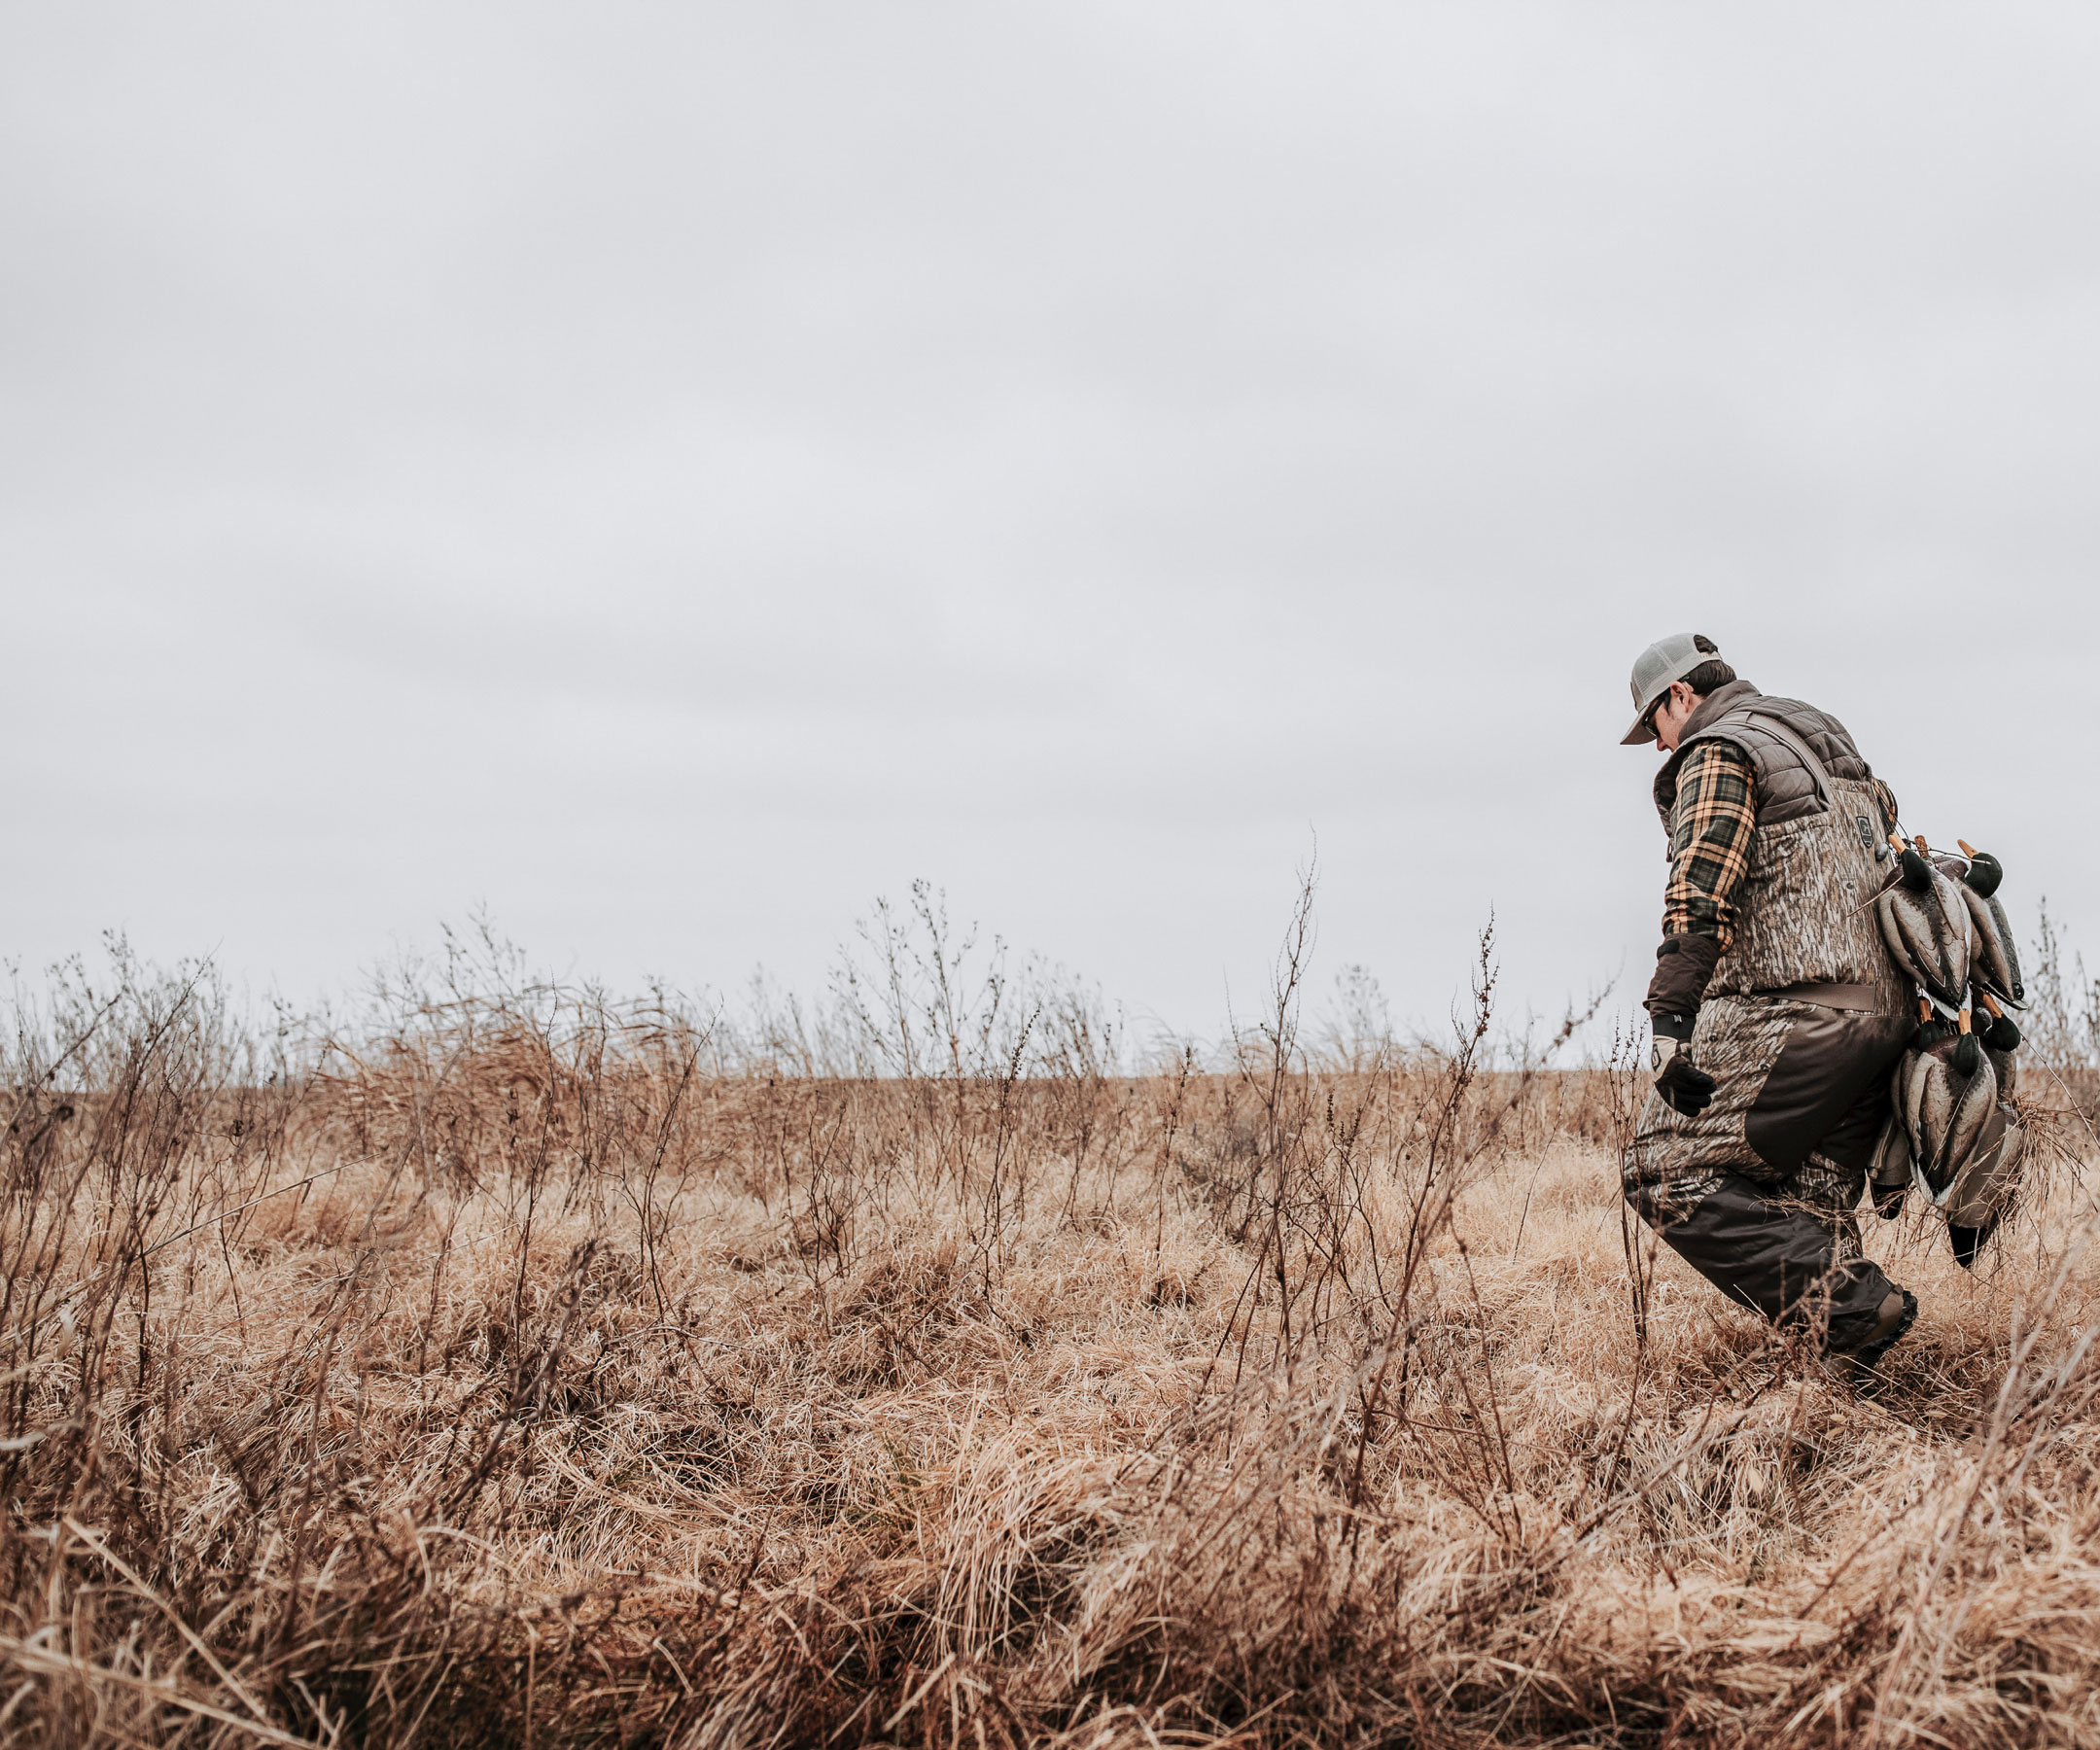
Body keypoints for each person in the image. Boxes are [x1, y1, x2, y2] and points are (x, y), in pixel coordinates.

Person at [1620, 633, 1917, 1378]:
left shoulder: (1718, 748)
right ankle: (1845, 1405)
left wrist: (1669, 1022)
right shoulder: (1825, 737)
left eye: (1653, 726)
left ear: (1679, 696)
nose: (1659, 747)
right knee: (1805, 1205)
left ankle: (1855, 1304)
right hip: (1891, 1018)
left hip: (1803, 1014)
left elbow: (1701, 883)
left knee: (1663, 1173)